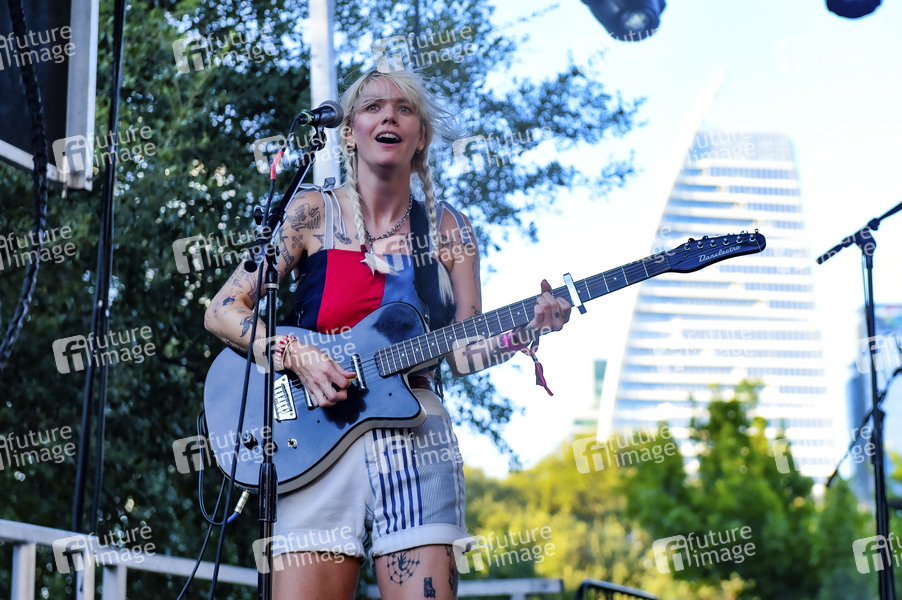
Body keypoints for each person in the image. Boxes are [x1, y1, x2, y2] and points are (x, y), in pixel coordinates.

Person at [204, 67, 571, 600]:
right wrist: (292, 352)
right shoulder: (311, 212)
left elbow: (463, 353)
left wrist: (525, 332)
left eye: (404, 109)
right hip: (311, 433)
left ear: (420, 137)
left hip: (417, 434)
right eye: (373, 107)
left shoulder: (449, 229)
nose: (389, 117)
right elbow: (222, 309)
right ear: (349, 132)